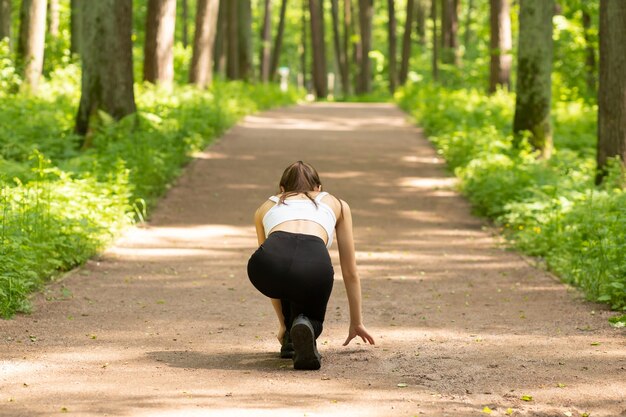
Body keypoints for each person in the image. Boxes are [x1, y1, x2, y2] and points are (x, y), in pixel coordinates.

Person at [247, 161, 375, 370]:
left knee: (285, 275)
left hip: (266, 265)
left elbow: (275, 269)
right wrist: (356, 322)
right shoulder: (338, 204)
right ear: (319, 188)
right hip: (313, 261)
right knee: (309, 309)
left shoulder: (266, 206)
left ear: (282, 190)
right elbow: (350, 272)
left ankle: (291, 335)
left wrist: (282, 324)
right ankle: (307, 325)